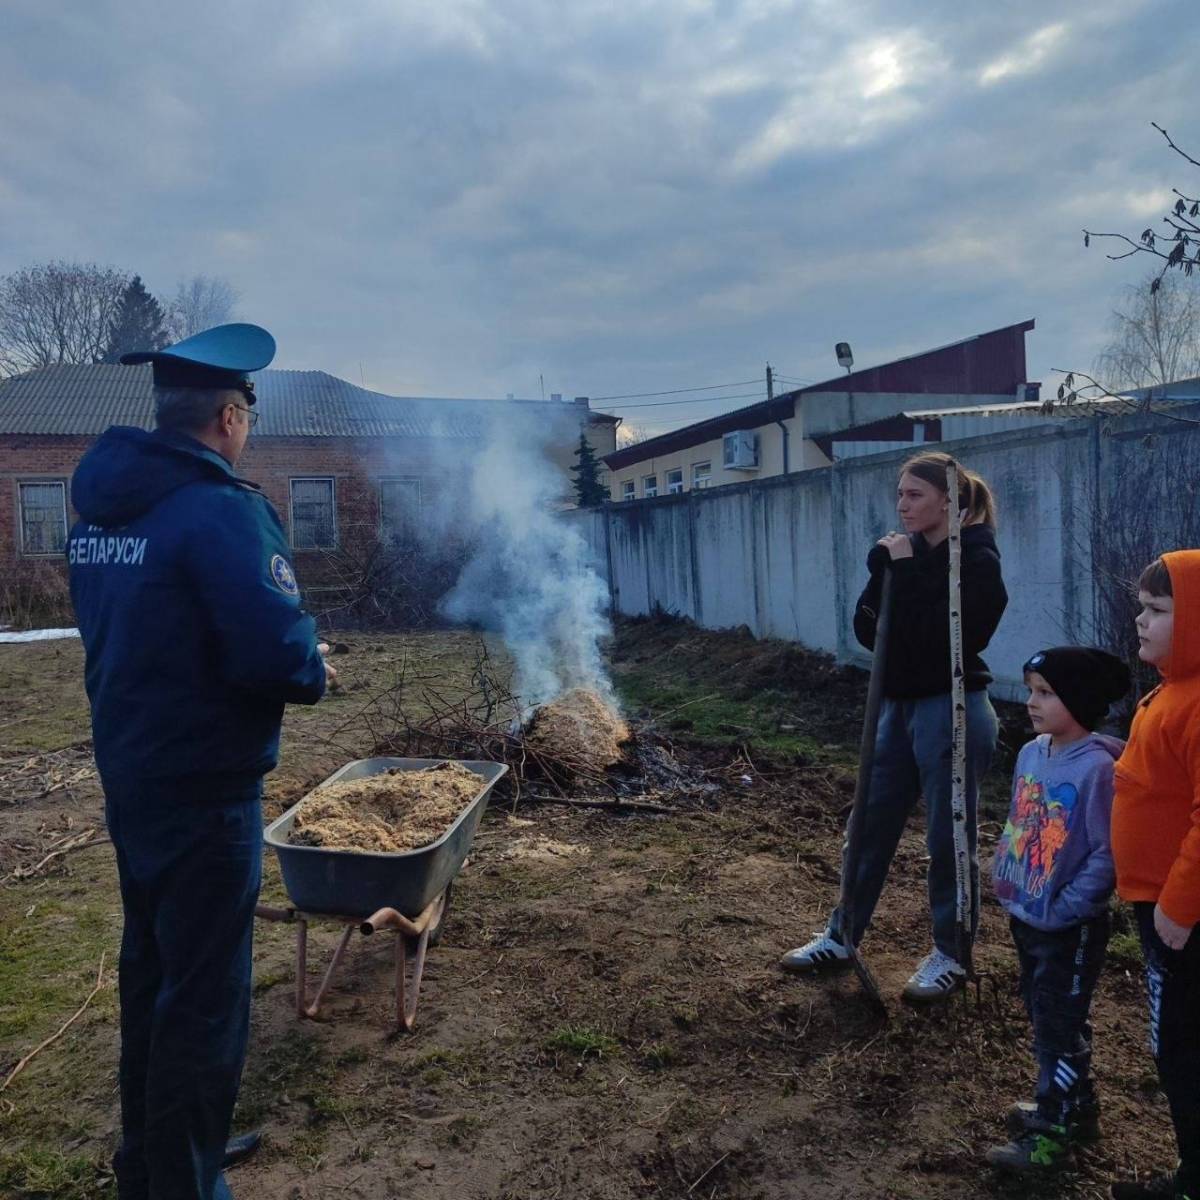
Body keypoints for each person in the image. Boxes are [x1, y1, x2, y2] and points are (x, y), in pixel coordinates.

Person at [67, 324, 332, 1200]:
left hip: (134, 777)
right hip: (207, 794)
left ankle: (153, 1161)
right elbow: (278, 658)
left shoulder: (105, 508)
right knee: (206, 1000)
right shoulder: (220, 510)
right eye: (247, 414)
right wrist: (313, 660)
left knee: (154, 974)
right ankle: (183, 1183)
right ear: (227, 415)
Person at [780, 451, 1008, 1002]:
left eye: (915, 496)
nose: (902, 505)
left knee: (947, 836)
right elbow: (869, 627)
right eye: (900, 494)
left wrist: (905, 571)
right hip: (897, 706)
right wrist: (884, 569)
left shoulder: (975, 558)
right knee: (868, 823)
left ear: (948, 502)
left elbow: (951, 633)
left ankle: (952, 954)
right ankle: (841, 936)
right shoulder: (900, 553)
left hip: (951, 707)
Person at [984, 646, 1130, 1173]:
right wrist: (1005, 871)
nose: (1031, 701)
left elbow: (1107, 852)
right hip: (1028, 915)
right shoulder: (1031, 752)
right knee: (1048, 1017)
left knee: (1058, 1029)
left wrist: (1072, 904)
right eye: (1030, 690)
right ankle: (1078, 1109)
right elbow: (1021, 820)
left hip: (1069, 927)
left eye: (1045, 692)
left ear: (1080, 699)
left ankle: (1051, 1134)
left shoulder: (1098, 770)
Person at [1108, 552, 1200, 1200]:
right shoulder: (1169, 689)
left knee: (1183, 1052)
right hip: (1161, 910)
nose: (1140, 619)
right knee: (1178, 1046)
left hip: (1182, 918)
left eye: (1158, 610)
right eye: (1142, 606)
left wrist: (1177, 905)